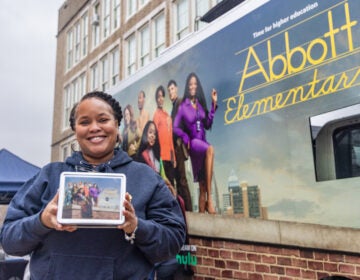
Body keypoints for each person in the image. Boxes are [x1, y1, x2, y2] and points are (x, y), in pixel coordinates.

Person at [0, 91, 186, 280]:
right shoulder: (49, 176)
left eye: (103, 119)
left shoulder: (146, 178)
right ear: (75, 130)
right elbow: (9, 240)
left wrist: (136, 226)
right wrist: (42, 221)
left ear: (117, 124)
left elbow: (173, 242)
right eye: (84, 122)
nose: (94, 128)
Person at [135, 120, 182, 280]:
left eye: (154, 133)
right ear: (144, 135)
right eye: (150, 132)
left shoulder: (157, 158)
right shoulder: (139, 159)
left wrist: (170, 187)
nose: (152, 136)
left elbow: (163, 177)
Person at [173, 72, 218, 214]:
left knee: (202, 186)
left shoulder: (199, 105)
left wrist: (213, 104)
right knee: (210, 149)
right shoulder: (183, 107)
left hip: (202, 141)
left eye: (195, 84)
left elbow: (208, 123)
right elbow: (174, 127)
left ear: (197, 87)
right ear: (188, 86)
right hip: (193, 144)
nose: (193, 86)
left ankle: (203, 213)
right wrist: (185, 137)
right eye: (190, 84)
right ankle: (210, 200)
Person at [167, 80, 193, 212]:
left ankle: (189, 211)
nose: (171, 92)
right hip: (175, 148)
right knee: (178, 180)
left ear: (176, 89)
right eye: (169, 90)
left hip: (179, 146)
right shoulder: (173, 106)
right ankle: (184, 210)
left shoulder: (181, 102)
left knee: (182, 180)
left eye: (172, 89)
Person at [153, 85, 176, 186]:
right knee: (165, 186)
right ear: (156, 99)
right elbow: (155, 138)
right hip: (161, 158)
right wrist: (158, 157)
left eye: (162, 96)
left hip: (169, 158)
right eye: (158, 97)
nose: (160, 99)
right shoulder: (156, 115)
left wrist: (173, 158)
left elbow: (170, 137)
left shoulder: (167, 115)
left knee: (172, 185)